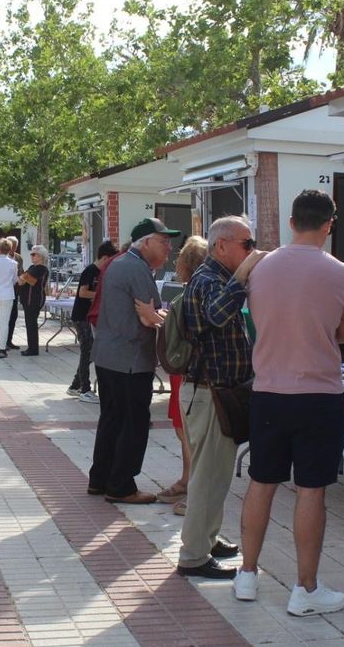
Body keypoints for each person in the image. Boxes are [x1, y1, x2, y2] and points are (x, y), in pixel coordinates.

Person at [235, 189, 344, 615]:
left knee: (261, 482)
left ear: (292, 222)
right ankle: (304, 588)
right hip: (318, 394)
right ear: (329, 224)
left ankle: (247, 575)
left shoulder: (260, 268)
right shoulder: (341, 272)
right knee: (311, 491)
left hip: (268, 390)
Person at [174, 217, 264, 580]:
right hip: (207, 393)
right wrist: (243, 276)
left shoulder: (219, 278)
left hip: (218, 393)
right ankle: (193, 556)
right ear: (222, 245)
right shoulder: (208, 279)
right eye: (247, 243)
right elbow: (215, 315)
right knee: (207, 478)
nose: (251, 250)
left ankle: (206, 539)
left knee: (216, 475)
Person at [87, 218, 181, 505]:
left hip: (109, 355)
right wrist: (168, 319)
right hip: (129, 358)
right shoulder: (136, 267)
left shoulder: (120, 263)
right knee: (133, 422)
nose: (169, 248)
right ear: (147, 242)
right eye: (164, 241)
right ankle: (121, 485)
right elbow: (148, 315)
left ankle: (101, 479)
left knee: (113, 418)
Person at [158, 235, 209, 516]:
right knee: (184, 430)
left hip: (190, 369)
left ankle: (193, 486)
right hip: (186, 370)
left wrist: (157, 320)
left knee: (190, 431)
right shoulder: (193, 291)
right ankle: (188, 479)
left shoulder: (194, 293)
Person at [67, 240, 118, 404]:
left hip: (89, 317)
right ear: (104, 258)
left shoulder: (101, 271)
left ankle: (75, 385)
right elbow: (82, 293)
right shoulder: (91, 271)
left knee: (89, 352)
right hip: (81, 316)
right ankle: (85, 389)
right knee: (87, 351)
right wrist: (100, 295)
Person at [18, 245, 49, 356]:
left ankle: (33, 349)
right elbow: (22, 279)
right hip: (28, 299)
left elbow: (31, 280)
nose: (31, 256)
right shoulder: (32, 267)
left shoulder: (41, 268)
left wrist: (24, 277)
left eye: (33, 254)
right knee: (29, 323)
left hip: (34, 299)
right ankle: (31, 347)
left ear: (40, 256)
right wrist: (24, 277)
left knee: (31, 324)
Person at [4, 235, 24, 350]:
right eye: (12, 246)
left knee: (13, 315)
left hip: (14, 290)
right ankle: (1, 340)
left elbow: (21, 272)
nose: (14, 248)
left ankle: (9, 340)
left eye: (16, 246)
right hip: (3, 291)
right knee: (4, 316)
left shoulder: (18, 258)